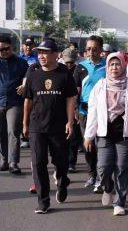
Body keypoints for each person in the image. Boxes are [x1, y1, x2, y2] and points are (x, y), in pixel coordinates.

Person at [84, 53, 128, 216]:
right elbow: (92, 112)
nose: (114, 67)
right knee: (103, 168)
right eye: (111, 64)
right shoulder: (100, 85)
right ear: (107, 67)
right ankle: (108, 187)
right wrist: (88, 135)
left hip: (127, 135)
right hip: (104, 133)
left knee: (122, 168)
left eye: (118, 64)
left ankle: (120, 201)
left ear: (123, 66)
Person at [22, 39, 76, 214]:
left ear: (55, 54)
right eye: (39, 53)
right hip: (37, 126)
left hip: (59, 126)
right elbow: (28, 100)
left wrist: (70, 121)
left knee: (60, 161)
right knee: (38, 163)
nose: (41, 56)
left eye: (45, 52)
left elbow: (70, 99)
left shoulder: (65, 74)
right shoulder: (33, 74)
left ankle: (62, 181)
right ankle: (43, 201)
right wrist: (25, 123)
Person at [73, 35, 106, 192]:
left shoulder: (108, 66)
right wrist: (74, 110)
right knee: (88, 145)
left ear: (101, 50)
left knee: (102, 145)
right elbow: (75, 91)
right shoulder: (80, 67)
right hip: (84, 112)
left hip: (104, 112)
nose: (91, 51)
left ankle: (102, 176)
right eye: (88, 49)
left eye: (94, 49)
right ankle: (92, 175)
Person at [0, 35, 28, 174]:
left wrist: (24, 84)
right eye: (0, 49)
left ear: (12, 47)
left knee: (13, 132)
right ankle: (4, 161)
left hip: (14, 102)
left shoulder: (21, 62)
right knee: (1, 133)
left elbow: (27, 76)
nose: (3, 51)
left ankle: (13, 162)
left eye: (6, 48)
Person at [60, 48, 82, 172]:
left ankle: (71, 162)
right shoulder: (58, 69)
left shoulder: (78, 71)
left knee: (73, 136)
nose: (69, 65)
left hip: (75, 106)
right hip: (60, 107)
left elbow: (78, 93)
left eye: (71, 63)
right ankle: (62, 160)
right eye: (66, 62)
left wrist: (76, 108)